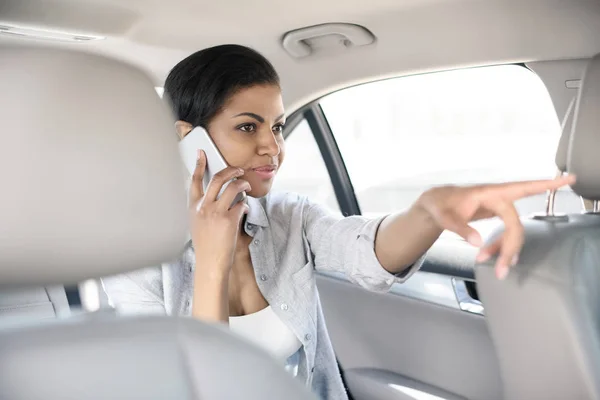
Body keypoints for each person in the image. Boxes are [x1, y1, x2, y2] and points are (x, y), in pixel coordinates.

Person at [102, 44, 575, 400]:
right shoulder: (136, 263)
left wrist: (428, 212)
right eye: (249, 126)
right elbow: (196, 387)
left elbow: (364, 252)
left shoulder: (289, 217)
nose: (273, 146)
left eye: (279, 126)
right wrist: (211, 261)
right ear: (188, 139)